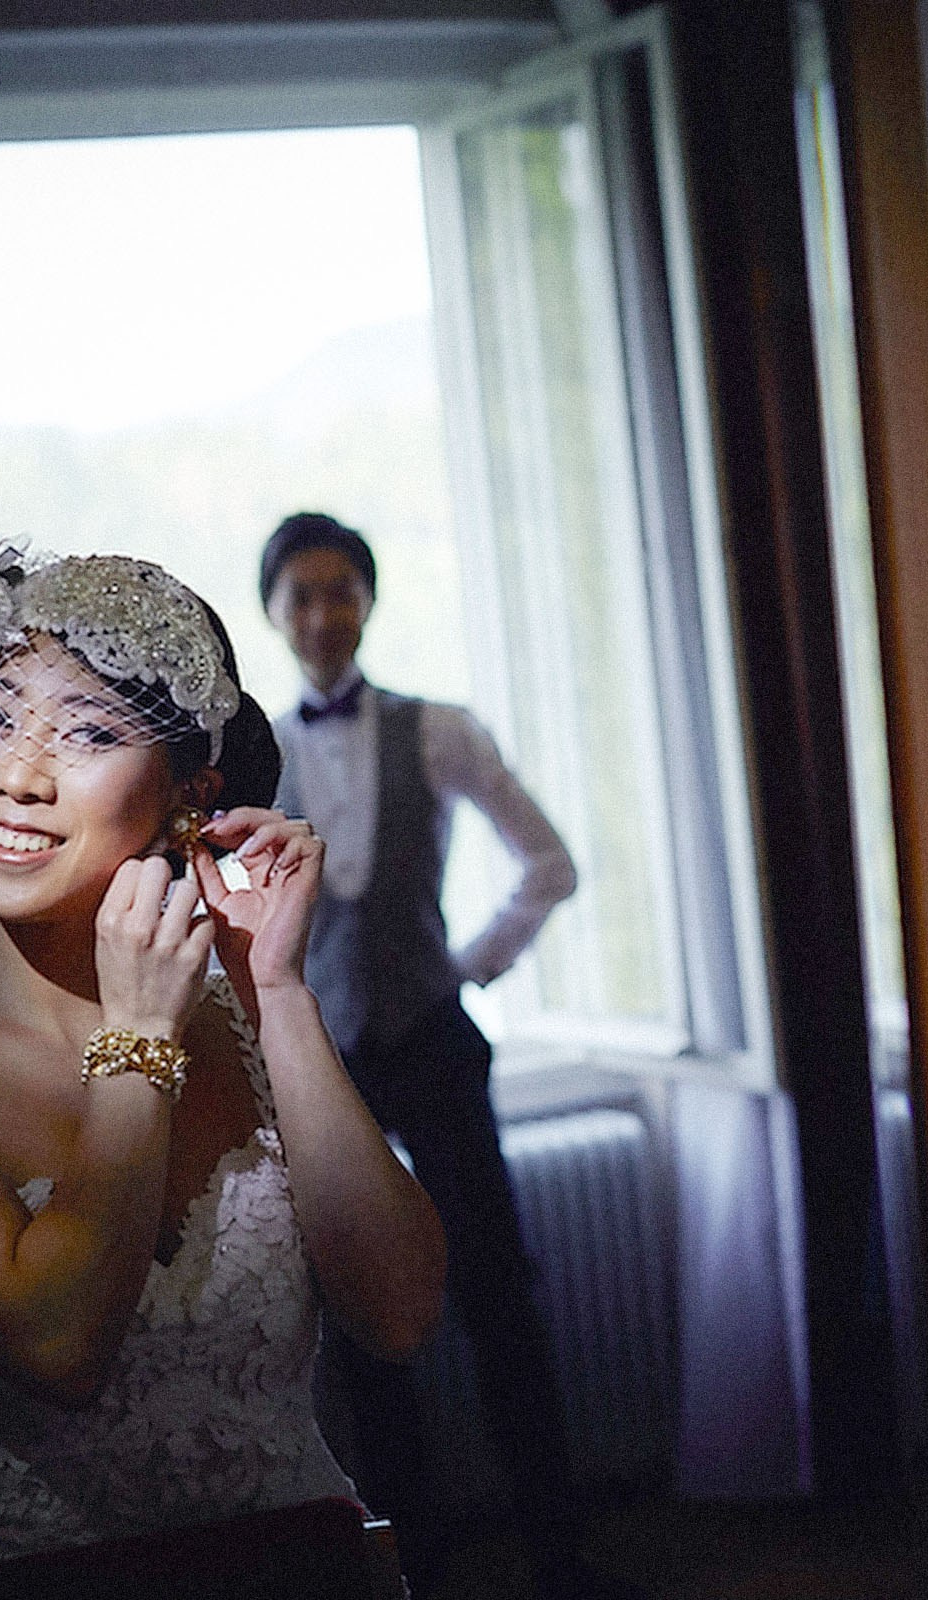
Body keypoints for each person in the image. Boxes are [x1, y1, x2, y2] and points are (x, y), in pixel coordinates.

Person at [0, 538, 446, 1571]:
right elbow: (59, 1342)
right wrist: (136, 1045)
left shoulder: (242, 1022)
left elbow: (400, 1313)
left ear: (193, 793)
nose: (18, 776)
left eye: (88, 732)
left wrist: (276, 989)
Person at [261, 512, 623, 1600]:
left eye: (341, 590)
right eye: (300, 596)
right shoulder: (259, 754)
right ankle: (412, 1572)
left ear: (368, 600)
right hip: (332, 1069)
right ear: (275, 614)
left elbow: (548, 865)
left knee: (501, 1299)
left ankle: (564, 1563)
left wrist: (465, 967)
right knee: (370, 1328)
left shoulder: (442, 731)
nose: (323, 614)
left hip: (434, 1044)